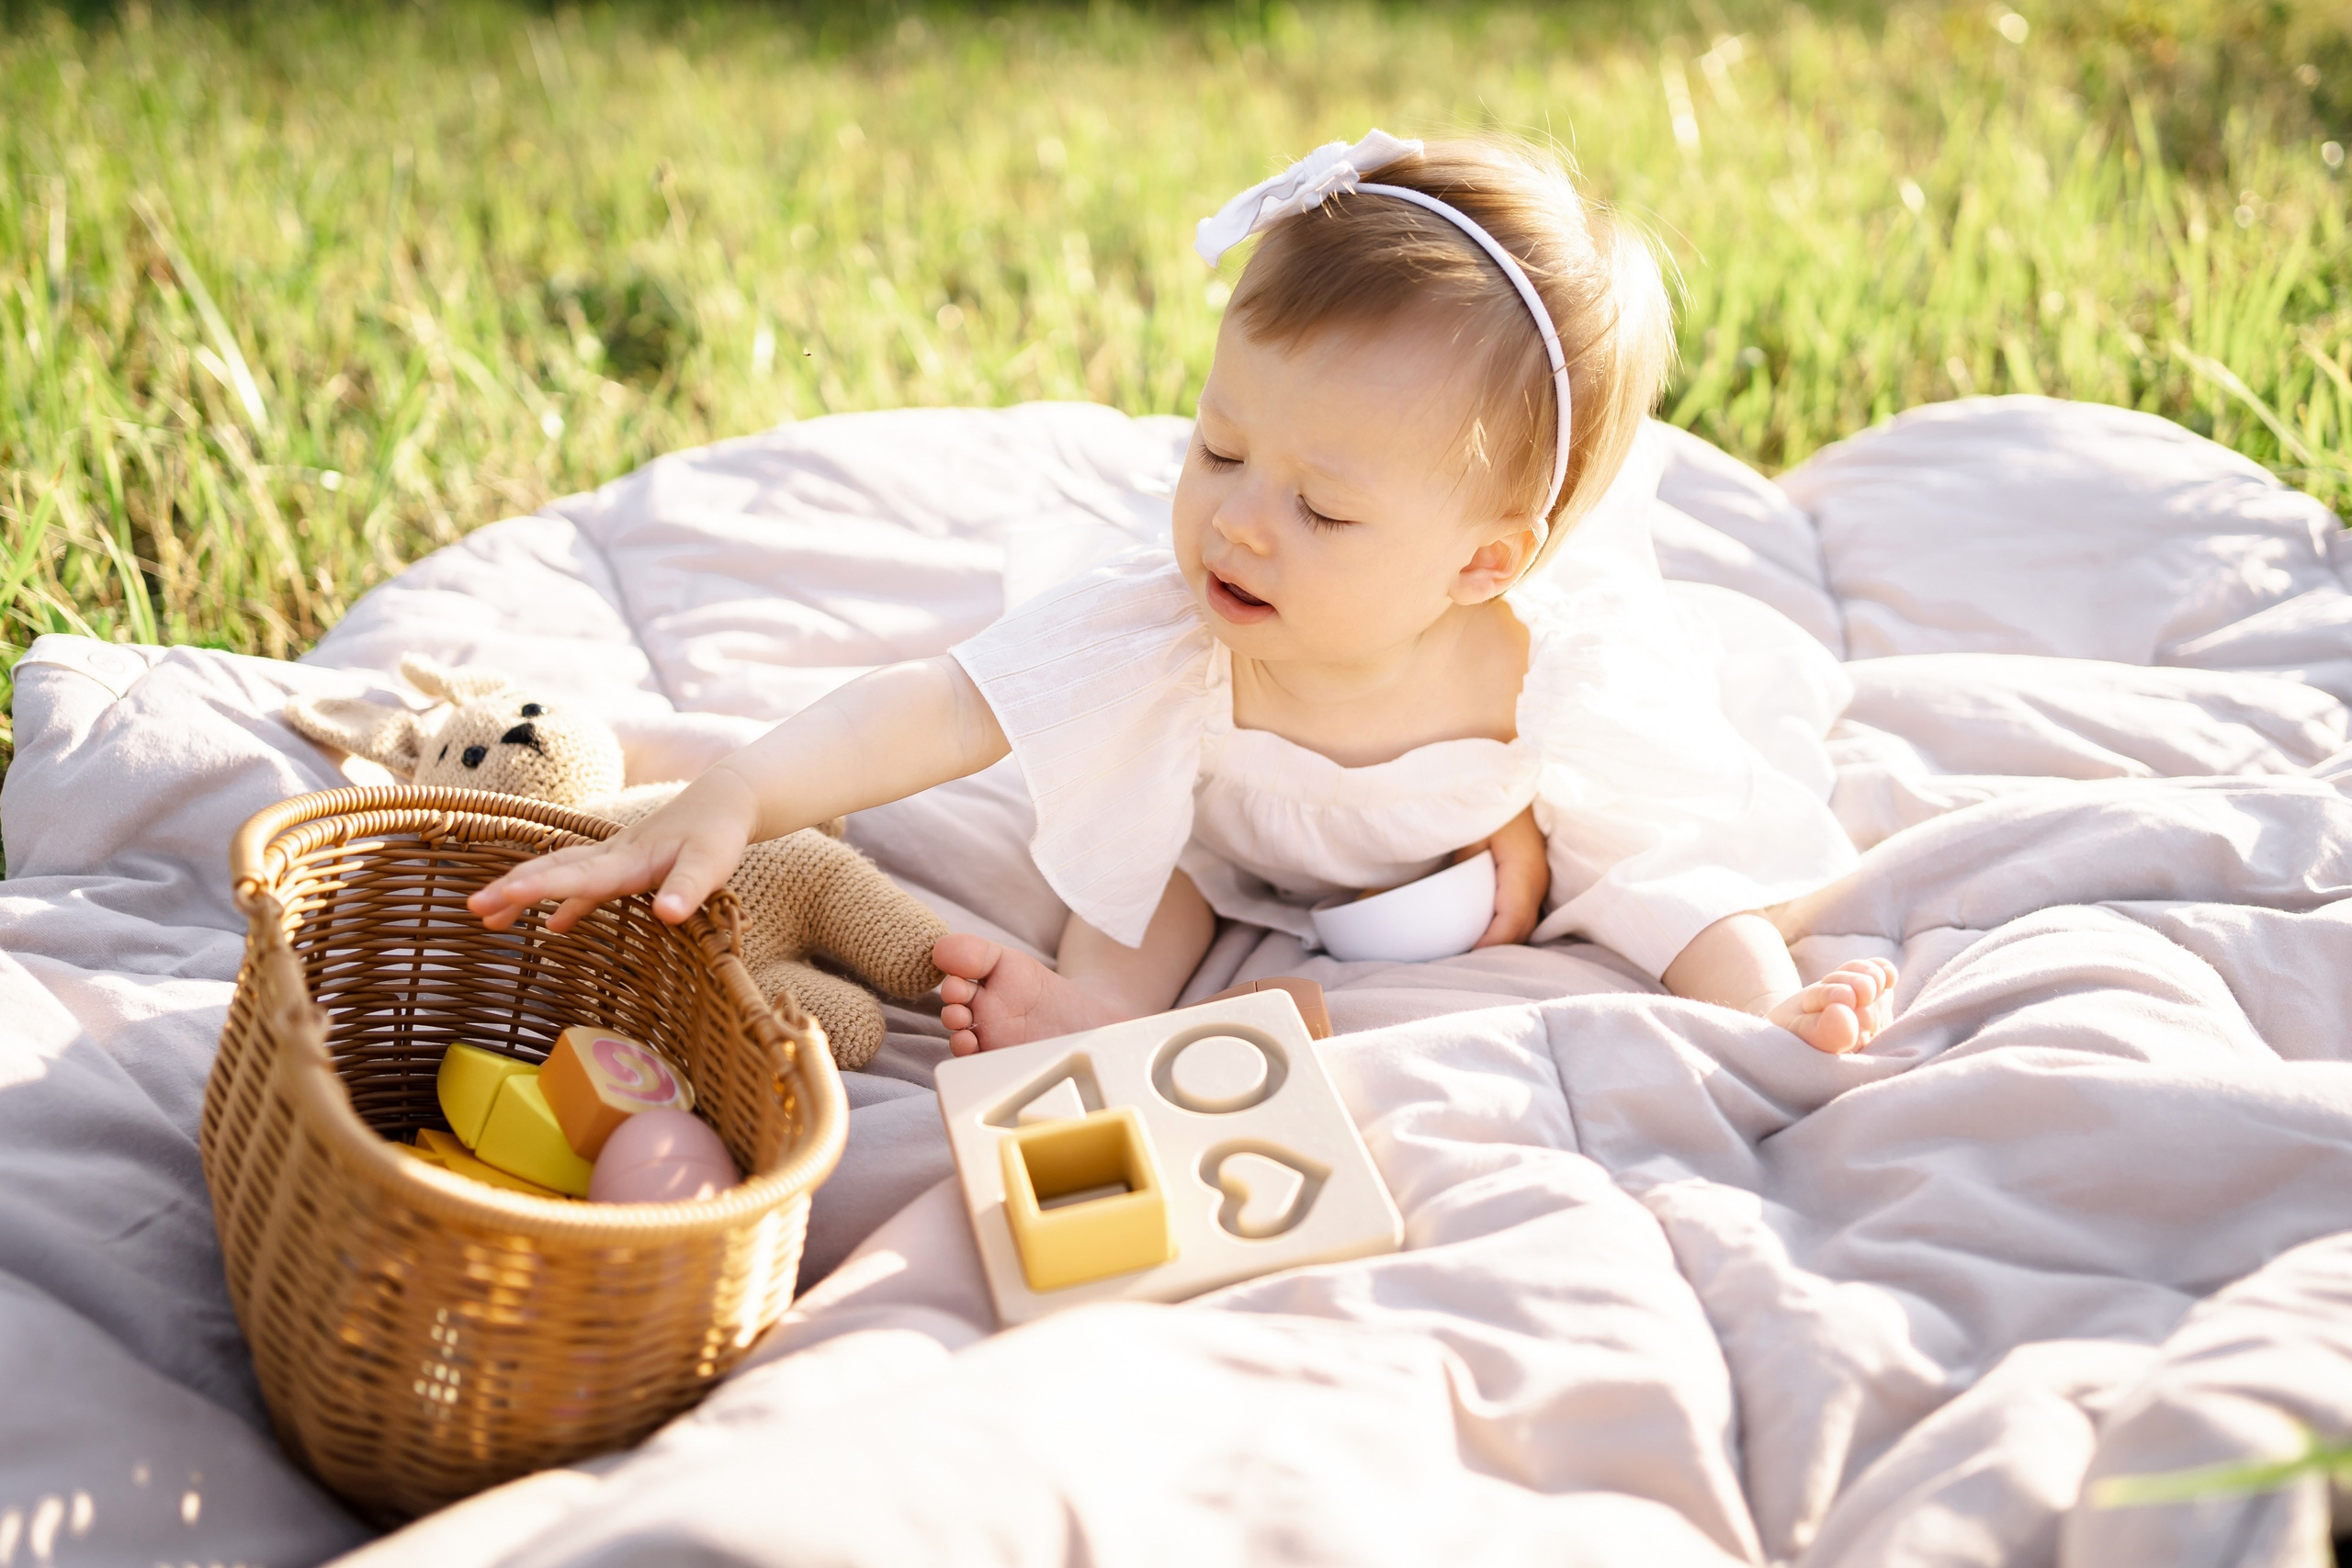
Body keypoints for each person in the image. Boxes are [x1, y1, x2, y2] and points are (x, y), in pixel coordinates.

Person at [469, 130, 1896, 1057]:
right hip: (1232, 838)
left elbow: (1669, 858)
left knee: (1653, 878)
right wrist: (730, 798)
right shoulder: (1171, 626)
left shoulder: (1551, 667)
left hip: (1465, 823)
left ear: (1483, 562)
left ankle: (1778, 1009)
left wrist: (1751, 987)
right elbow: (930, 710)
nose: (1237, 523)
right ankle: (1102, 1026)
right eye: (1216, 447)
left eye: (1323, 506)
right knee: (1128, 872)